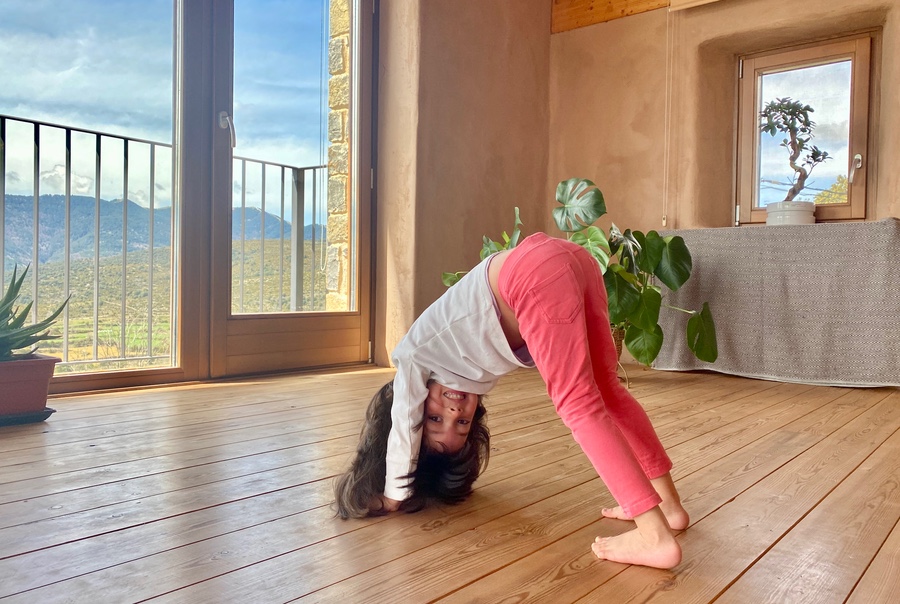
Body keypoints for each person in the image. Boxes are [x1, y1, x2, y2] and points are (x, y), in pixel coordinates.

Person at [334, 232, 689, 569]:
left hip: (536, 271)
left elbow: (402, 424)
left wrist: (396, 491)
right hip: (574, 262)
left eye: (434, 420)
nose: (455, 411)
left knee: (578, 405)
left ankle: (654, 535)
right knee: (608, 392)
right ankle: (670, 507)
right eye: (461, 424)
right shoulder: (461, 369)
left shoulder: (412, 357)